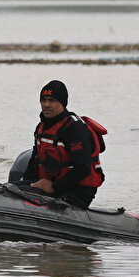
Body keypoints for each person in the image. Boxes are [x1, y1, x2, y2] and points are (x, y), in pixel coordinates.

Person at [23, 79, 106, 208]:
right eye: (43, 100)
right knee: (11, 190)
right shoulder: (41, 127)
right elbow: (35, 160)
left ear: (63, 103)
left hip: (77, 191)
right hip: (50, 184)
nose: (46, 104)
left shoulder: (75, 129)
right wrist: (26, 183)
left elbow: (83, 168)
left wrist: (54, 187)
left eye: (52, 100)